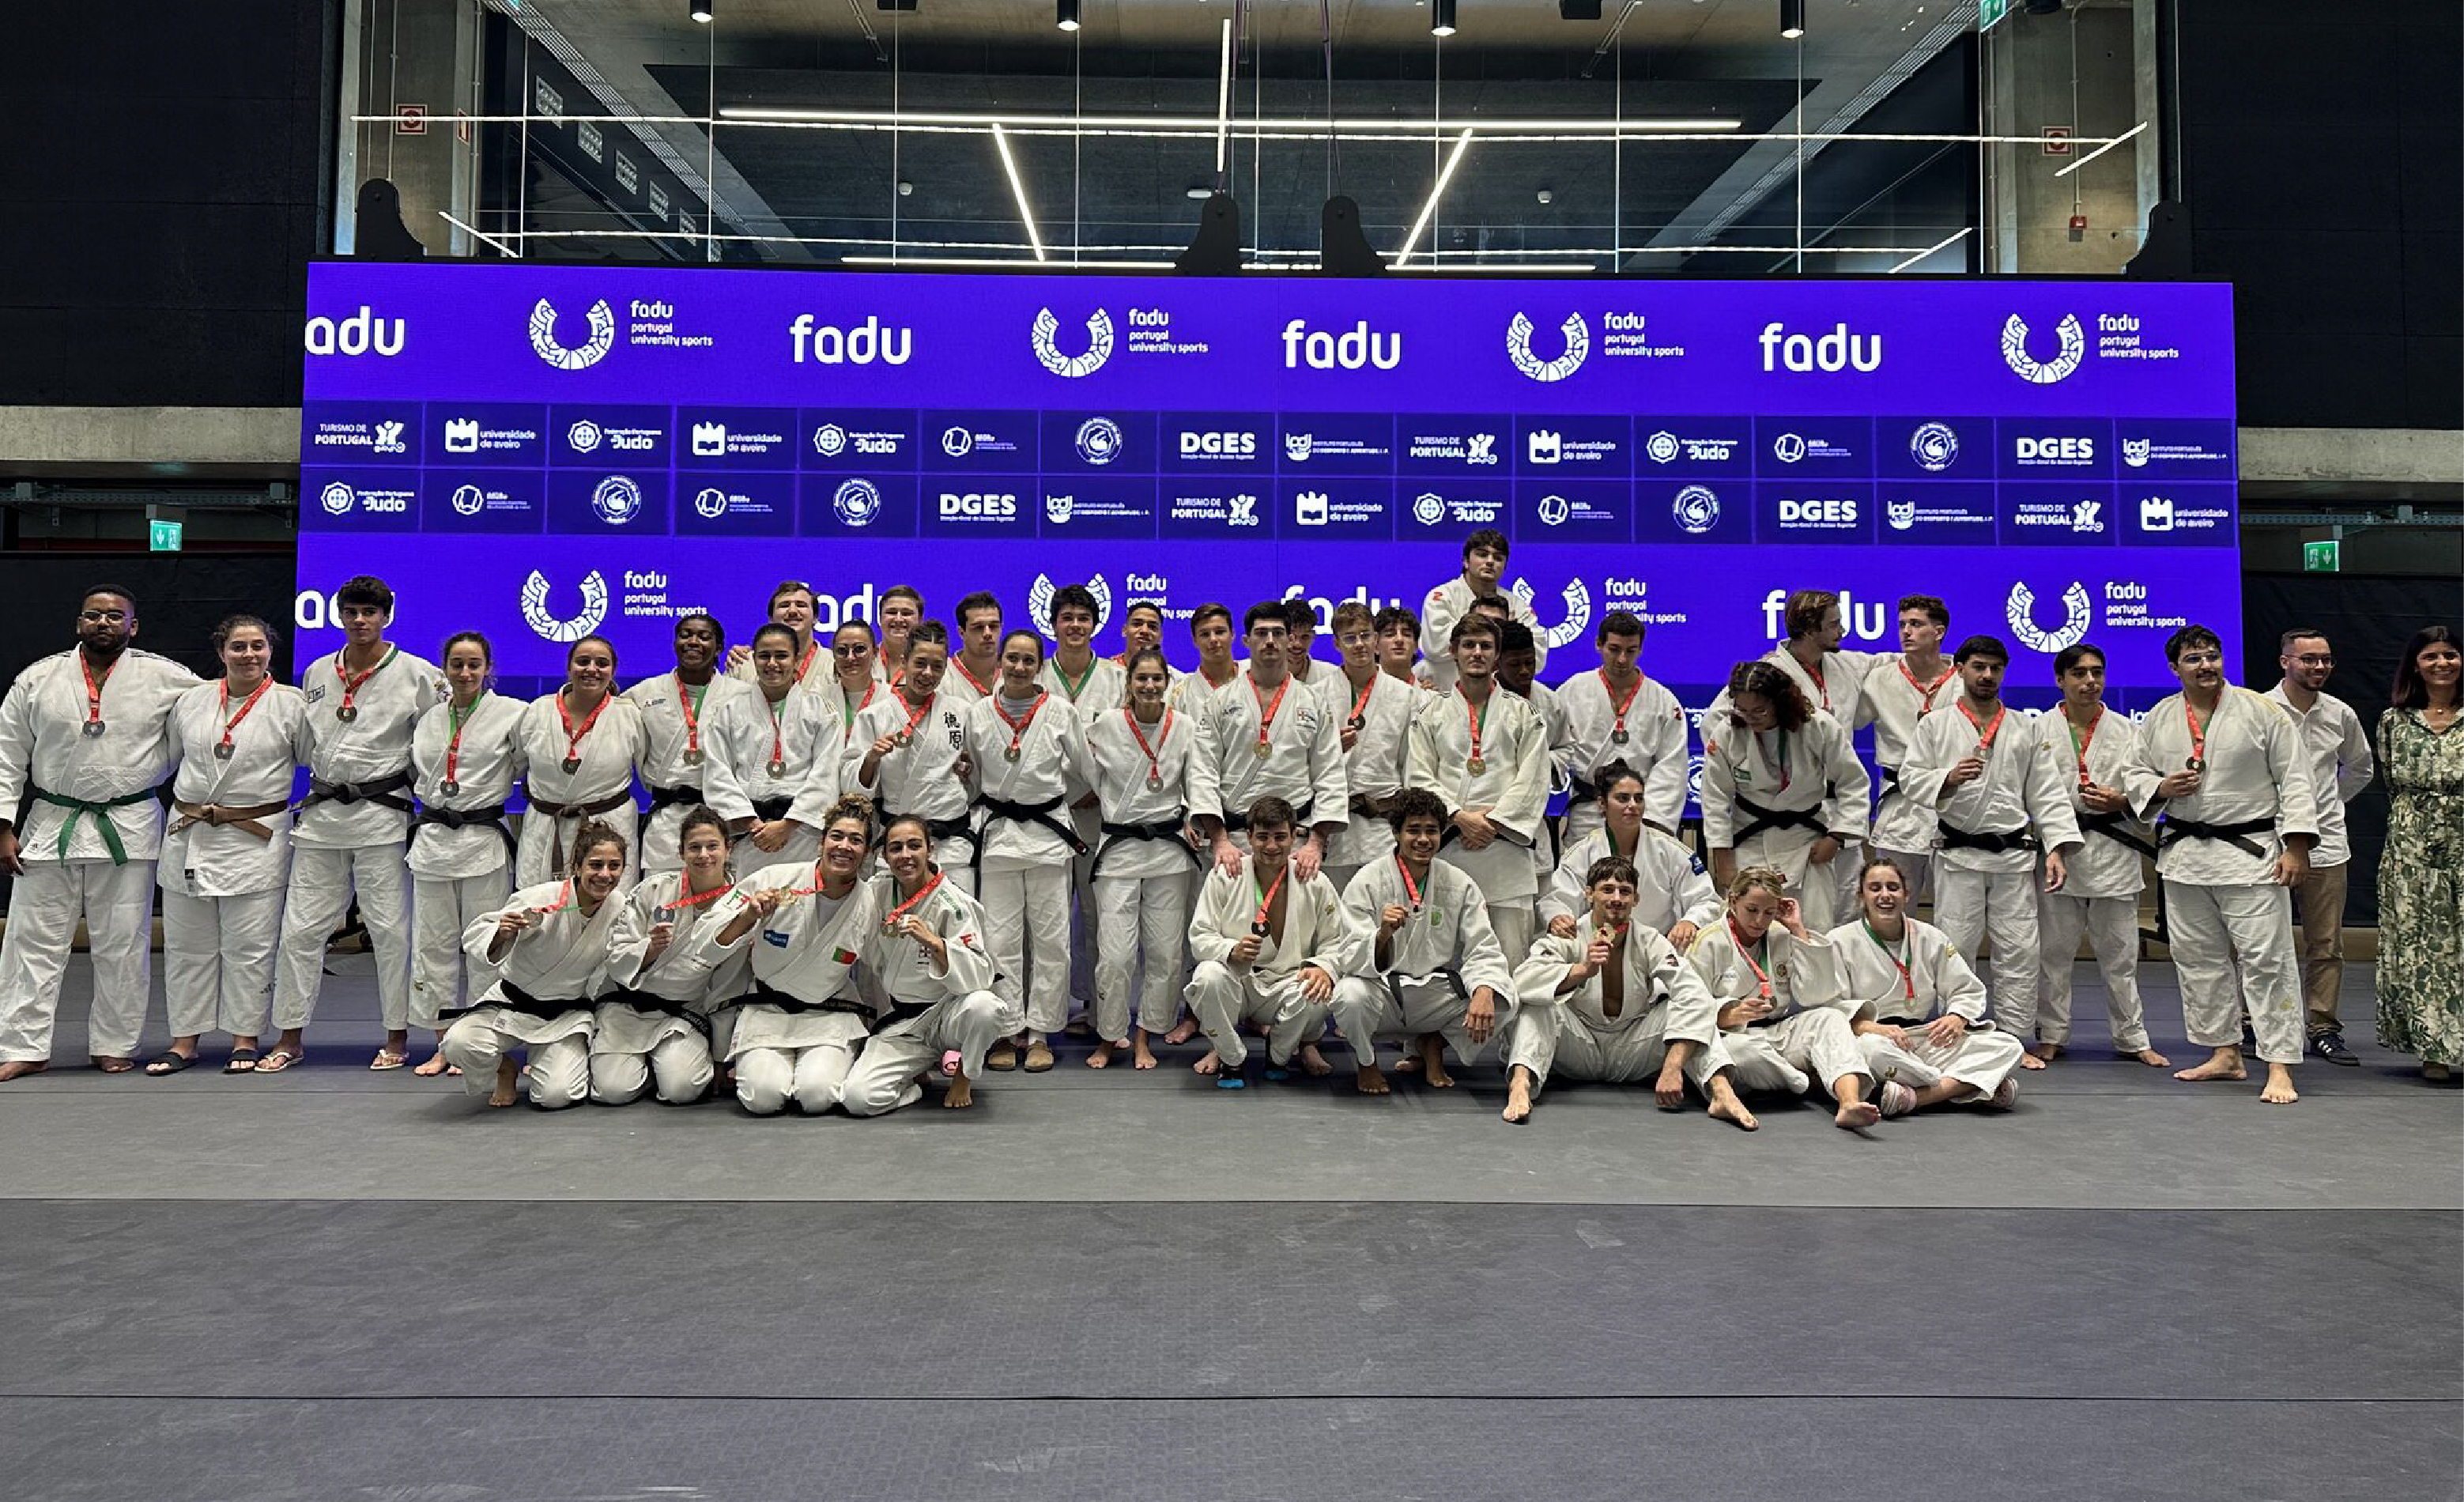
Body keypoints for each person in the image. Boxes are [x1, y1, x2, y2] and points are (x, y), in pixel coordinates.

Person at [2128, 624, 2319, 1104]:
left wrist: (2296, 847)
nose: (2205, 665)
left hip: (2252, 855)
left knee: (2267, 962)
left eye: (2212, 656)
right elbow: (2134, 773)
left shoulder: (2263, 712)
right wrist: (2161, 789)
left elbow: (2295, 780)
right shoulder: (2159, 717)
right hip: (2187, 856)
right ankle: (2225, 1053)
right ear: (2175, 668)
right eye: (2193, 659)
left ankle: (2279, 1065)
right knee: (2198, 961)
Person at [263, 576, 445, 1073]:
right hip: (323, 816)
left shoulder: (418, 674)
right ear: (339, 615)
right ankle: (290, 1036)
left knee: (390, 933)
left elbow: (437, 743)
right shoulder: (320, 670)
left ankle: (396, 1036)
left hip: (382, 815)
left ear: (387, 615)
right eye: (351, 611)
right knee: (300, 930)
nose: (360, 620)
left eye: (370, 611)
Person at [1897, 635, 2079, 1066]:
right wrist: (1948, 777)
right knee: (1955, 947)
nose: (1986, 675)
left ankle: (2014, 1039)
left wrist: (2056, 847)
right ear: (1959, 669)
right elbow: (1910, 778)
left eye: (1995, 668)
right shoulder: (1935, 725)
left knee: (2019, 949)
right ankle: (1958, 1033)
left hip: (2014, 856)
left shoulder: (2024, 727)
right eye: (1978, 666)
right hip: (1958, 855)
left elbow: (2046, 793)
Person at [150, 614, 304, 1075]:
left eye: (258, 646)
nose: (249, 655)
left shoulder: (290, 705)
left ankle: (244, 1038)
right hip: (192, 830)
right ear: (221, 653)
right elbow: (170, 756)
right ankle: (184, 1041)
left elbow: (315, 760)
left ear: (270, 652)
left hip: (256, 837)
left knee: (251, 947)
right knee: (186, 945)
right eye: (238, 647)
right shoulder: (192, 702)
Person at [1510, 855, 1759, 1130]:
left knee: (1691, 1004)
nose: (1617, 898)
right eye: (1607, 889)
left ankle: (1721, 1092)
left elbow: (1694, 994)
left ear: (1636, 899)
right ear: (1589, 894)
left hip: (1632, 1049)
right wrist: (1582, 970)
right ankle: (1521, 1085)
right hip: (1578, 1045)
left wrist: (1672, 1066)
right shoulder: (1569, 936)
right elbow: (1522, 981)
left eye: (1625, 891)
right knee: (1538, 1003)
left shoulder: (1650, 940)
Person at [1330, 791, 1521, 1108]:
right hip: (1384, 994)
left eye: (1431, 830)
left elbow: (1483, 946)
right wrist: (1381, 936)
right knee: (1349, 995)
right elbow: (1348, 954)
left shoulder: (1459, 883)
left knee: (1503, 999)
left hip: (1435, 994)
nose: (1423, 839)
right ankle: (1367, 1062)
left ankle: (1434, 1042)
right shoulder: (1367, 881)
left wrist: (1485, 989)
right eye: (1413, 830)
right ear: (1396, 833)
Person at [694, 794, 881, 1115]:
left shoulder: (871, 904)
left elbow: (884, 973)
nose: (844, 847)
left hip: (830, 1014)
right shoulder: (772, 880)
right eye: (836, 836)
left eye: (856, 840)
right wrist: (748, 918)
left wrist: (889, 1042)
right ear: (821, 842)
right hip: (768, 1010)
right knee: (763, 1098)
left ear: (866, 852)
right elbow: (705, 948)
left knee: (817, 1096)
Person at [2028, 644, 2168, 1066]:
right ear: (2060, 680)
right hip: (2059, 853)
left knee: (2120, 955)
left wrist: (2122, 801)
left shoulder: (2129, 731)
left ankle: (2133, 1038)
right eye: (2079, 673)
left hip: (2113, 849)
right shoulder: (2038, 731)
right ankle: (2051, 1034)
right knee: (2053, 953)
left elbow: (2150, 788)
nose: (2090, 681)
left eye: (2097, 672)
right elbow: (2027, 792)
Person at [964, 628, 1090, 1072]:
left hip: (1048, 838)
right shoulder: (978, 713)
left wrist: (1063, 803)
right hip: (998, 837)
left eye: (1028, 660)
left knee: (1052, 941)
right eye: (1012, 659)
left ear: (1040, 665)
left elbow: (1086, 769)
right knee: (999, 941)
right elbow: (971, 774)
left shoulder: (1060, 711)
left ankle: (1040, 1033)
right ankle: (1005, 1029)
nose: (1019, 667)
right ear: (1000, 662)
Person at [437, 820, 628, 1109]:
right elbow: (476, 934)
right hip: (512, 1002)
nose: (605, 874)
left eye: (614, 866)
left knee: (555, 1096)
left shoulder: (620, 907)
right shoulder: (540, 897)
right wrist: (502, 932)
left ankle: (552, 1059)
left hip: (565, 1014)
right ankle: (505, 1069)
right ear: (577, 867)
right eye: (596, 865)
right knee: (458, 1044)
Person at [840, 813, 1018, 1113]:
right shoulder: (878, 891)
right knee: (858, 1100)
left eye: (914, 846)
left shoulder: (954, 903)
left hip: (948, 1013)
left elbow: (980, 975)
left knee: (986, 1008)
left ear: (930, 849)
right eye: (896, 848)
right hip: (904, 1023)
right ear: (884, 856)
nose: (905, 856)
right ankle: (911, 1083)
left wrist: (937, 944)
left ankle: (965, 1073)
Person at [406, 631, 524, 1077]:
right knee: (433, 948)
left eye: (474, 664)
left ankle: (478, 1040)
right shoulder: (429, 721)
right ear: (445, 669)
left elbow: (525, 763)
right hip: (434, 839)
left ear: (488, 668)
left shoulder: (512, 714)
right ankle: (442, 1044)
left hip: (482, 841)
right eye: (457, 663)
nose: (466, 672)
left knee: (486, 948)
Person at [1689, 866, 1885, 1129]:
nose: (1760, 921)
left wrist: (1798, 929)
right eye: (1752, 910)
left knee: (1829, 1018)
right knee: (1743, 1053)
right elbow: (1688, 1008)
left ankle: (1848, 1103)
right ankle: (1809, 1080)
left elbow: (1817, 994)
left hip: (1775, 1031)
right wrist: (1729, 1014)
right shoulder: (1709, 941)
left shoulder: (1780, 935)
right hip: (1731, 1038)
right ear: (1734, 901)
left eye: (1769, 912)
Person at [1183, 795, 1357, 1087]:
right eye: (1262, 837)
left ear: (1294, 837)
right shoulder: (1226, 875)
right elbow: (1199, 937)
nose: (1272, 846)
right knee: (1207, 976)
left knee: (1316, 988)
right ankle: (1230, 1057)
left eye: (1280, 837)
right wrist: (1230, 950)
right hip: (1238, 982)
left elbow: (1336, 939)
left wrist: (1322, 966)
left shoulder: (1313, 880)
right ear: (1249, 837)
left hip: (1287, 982)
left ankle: (1278, 1056)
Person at [1407, 613, 1550, 962]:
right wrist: (1458, 816)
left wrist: (1494, 822)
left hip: (1507, 855)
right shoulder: (1431, 714)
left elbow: (1533, 779)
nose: (1477, 653)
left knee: (1512, 962)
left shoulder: (1525, 714)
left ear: (1497, 656)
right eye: (1469, 645)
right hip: (1450, 850)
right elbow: (1419, 777)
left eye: (1486, 646)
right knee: (1447, 963)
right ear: (1453, 651)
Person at [1083, 648, 1202, 1068]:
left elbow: (1197, 781)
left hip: (1169, 852)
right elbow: (1086, 775)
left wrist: (1193, 816)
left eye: (1156, 679)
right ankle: (1109, 1034)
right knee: (1115, 955)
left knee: (1165, 954)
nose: (1150, 686)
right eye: (1142, 679)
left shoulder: (1184, 727)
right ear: (1129, 682)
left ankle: (1144, 1036)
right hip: (1119, 850)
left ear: (1167, 682)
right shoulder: (1105, 727)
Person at [1834, 855, 2026, 1113]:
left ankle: (1917, 1097)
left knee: (2009, 1046)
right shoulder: (1839, 941)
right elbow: (1835, 1010)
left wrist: (1957, 1017)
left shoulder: (1931, 937)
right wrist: (1875, 1029)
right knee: (1871, 1052)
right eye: (1875, 888)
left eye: (1893, 887)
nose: (1885, 895)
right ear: (1861, 896)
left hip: (1925, 1037)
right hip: (1876, 1037)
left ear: (1907, 894)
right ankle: (1969, 1085)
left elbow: (1965, 987)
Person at [2265, 628, 2375, 1064]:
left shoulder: (2340, 714)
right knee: (2261, 941)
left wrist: (2324, 806)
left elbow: (2360, 769)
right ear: (2285, 661)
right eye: (2309, 659)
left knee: (2326, 944)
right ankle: (2258, 1023)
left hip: (2326, 844)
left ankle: (2322, 1026)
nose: (2319, 668)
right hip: (2269, 841)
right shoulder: (2261, 710)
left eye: (2326, 660)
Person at [1700, 660, 1868, 930]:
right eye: (1742, 710)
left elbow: (1854, 782)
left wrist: (1836, 836)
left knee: (1814, 928)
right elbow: (1714, 799)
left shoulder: (1818, 726)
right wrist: (1722, 857)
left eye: (1759, 711)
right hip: (1750, 837)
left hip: (1807, 842)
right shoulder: (1727, 734)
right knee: (1747, 929)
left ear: (1780, 702)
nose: (1750, 718)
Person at [594, 806, 743, 1105]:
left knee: (682, 1090)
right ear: (680, 852)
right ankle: (645, 1067)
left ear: (729, 849)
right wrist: (649, 949)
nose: (704, 855)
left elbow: (729, 988)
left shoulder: (738, 907)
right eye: (694, 848)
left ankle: (662, 1065)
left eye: (712, 846)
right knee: (613, 1091)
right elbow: (616, 951)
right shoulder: (653, 890)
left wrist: (719, 1057)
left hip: (683, 1014)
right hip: (630, 1008)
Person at [1188, 601, 1347, 874]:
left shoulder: (1314, 702)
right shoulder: (1220, 701)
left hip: (1296, 841)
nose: (1270, 641)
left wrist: (1316, 843)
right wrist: (1220, 840)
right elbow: (1203, 771)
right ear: (1247, 640)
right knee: (1232, 916)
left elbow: (1330, 773)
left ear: (1289, 640)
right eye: (1261, 634)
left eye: (1278, 633)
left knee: (1297, 916)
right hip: (1235, 840)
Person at [2373, 625, 2463, 1081]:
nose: (2442, 663)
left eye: (2451, 654)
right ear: (2415, 665)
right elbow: (2391, 781)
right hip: (2411, 848)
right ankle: (2434, 1049)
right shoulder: (2393, 721)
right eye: (2431, 656)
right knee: (2422, 948)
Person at [512, 635, 646, 888]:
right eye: (583, 662)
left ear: (613, 671)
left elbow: (646, 770)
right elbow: (517, 761)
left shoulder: (629, 715)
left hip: (608, 825)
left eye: (602, 663)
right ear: (569, 667)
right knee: (540, 910)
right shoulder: (538, 711)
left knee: (610, 911)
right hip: (546, 826)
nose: (592, 670)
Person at [847, 621, 975, 885]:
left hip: (951, 845)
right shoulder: (874, 716)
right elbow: (853, 789)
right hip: (897, 845)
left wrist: (968, 769)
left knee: (958, 923)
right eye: (920, 663)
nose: (928, 673)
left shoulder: (962, 712)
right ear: (904, 662)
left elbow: (977, 772)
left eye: (937, 666)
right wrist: (871, 758)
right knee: (893, 923)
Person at [1539, 762, 1719, 947]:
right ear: (1602, 803)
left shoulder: (1671, 850)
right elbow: (1557, 900)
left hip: (1659, 948)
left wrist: (1690, 921)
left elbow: (1707, 899)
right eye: (1623, 798)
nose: (1633, 805)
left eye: (1639, 799)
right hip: (1599, 949)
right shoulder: (1582, 853)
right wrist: (1558, 917)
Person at [628, 613, 754, 876]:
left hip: (721, 816)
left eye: (704, 637)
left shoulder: (742, 694)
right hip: (666, 820)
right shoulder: (645, 693)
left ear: (719, 648)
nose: (693, 642)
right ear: (675, 643)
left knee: (719, 906)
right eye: (685, 635)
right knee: (662, 903)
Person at [711, 622, 840, 869]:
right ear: (753, 660)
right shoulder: (730, 710)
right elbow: (717, 773)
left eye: (781, 656)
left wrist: (787, 825)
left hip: (801, 833)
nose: (772, 664)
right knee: (748, 904)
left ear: (796, 660)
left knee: (798, 904)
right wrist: (751, 823)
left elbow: (826, 775)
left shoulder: (821, 710)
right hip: (750, 834)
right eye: (764, 656)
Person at [1556, 611, 1689, 845]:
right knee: (1584, 875)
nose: (1622, 660)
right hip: (1589, 809)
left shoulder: (1664, 701)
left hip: (1640, 812)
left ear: (1641, 649)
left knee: (1640, 877)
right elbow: (1553, 746)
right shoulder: (1573, 691)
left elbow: (1672, 767)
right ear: (1599, 645)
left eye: (1631, 651)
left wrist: (1654, 822)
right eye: (1614, 649)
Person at [1857, 594, 1956, 901]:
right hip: (1899, 807)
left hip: (1952, 804)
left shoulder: (1965, 679)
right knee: (1891, 907)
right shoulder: (1879, 679)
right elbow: (1850, 721)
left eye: (1916, 624)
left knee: (1952, 914)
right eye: (1902, 625)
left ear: (1938, 632)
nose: (1906, 632)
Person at [1323, 601, 1420, 896]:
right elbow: (1303, 766)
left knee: (1386, 916)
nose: (1360, 645)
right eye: (1350, 638)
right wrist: (1330, 749)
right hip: (1335, 826)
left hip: (1383, 826)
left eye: (1366, 635)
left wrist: (1410, 827)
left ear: (1376, 640)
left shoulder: (1405, 696)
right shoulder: (1315, 695)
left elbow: (1411, 766)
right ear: (1337, 644)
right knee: (1334, 923)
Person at [1419, 530, 1546, 693]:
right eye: (1482, 555)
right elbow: (1436, 647)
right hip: (1443, 694)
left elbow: (1537, 658)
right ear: (1466, 561)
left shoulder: (1518, 606)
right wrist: (1503, 630)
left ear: (1505, 567)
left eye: (1498, 558)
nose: (1490, 562)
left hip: (1499, 701)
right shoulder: (1442, 597)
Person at [1040, 583, 1124, 714]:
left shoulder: (1119, 677)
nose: (1075, 625)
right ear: (1054, 626)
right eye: (1067, 618)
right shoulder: (1037, 676)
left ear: (1094, 626)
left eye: (1083, 619)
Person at [723, 579, 824, 685]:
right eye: (784, 605)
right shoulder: (741, 663)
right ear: (771, 619)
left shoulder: (835, 665)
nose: (793, 611)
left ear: (816, 618)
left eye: (801, 605)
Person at [1171, 601, 1245, 711]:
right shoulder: (1181, 694)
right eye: (1205, 634)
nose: (1213, 639)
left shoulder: (1255, 677)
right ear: (1195, 640)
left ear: (1233, 634)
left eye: (1220, 632)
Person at [943, 591, 1005, 708]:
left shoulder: (1016, 671)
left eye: (993, 626)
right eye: (978, 627)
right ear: (961, 633)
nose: (987, 633)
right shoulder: (943, 675)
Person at [877, 584, 925, 686]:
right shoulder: (862, 661)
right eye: (891, 612)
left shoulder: (937, 666)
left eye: (906, 613)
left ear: (920, 620)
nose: (898, 619)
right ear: (880, 618)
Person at [1373, 605, 1427, 689]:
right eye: (1390, 635)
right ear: (1375, 646)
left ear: (1416, 646)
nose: (1399, 640)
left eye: (1406, 635)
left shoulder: (1429, 696)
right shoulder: (1359, 693)